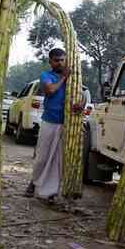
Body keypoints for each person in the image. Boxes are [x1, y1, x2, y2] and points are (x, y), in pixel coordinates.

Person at [25, 48, 82, 203]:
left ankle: (50, 193)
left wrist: (79, 106)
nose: (60, 63)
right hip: (50, 121)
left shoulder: (73, 79)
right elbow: (50, 90)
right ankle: (34, 182)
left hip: (67, 124)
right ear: (50, 61)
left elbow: (79, 98)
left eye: (63, 59)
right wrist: (63, 77)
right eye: (57, 60)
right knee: (42, 157)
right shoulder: (46, 76)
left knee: (58, 160)